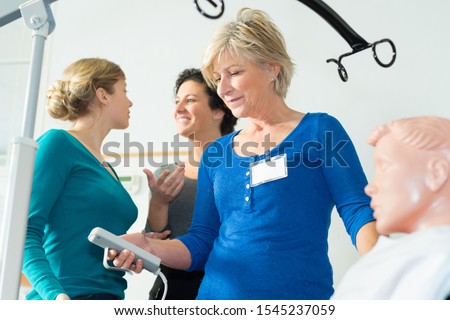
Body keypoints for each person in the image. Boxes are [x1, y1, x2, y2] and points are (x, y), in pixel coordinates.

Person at [113, 7, 378, 299]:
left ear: (271, 68)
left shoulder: (320, 131)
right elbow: (200, 243)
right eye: (217, 78)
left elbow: (357, 210)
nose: (223, 89)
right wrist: (147, 246)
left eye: (234, 73)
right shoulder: (216, 153)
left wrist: (388, 273)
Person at [22, 58, 138, 300]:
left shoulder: (105, 166)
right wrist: (55, 296)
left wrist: (125, 256)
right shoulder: (58, 143)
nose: (130, 101)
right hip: (68, 297)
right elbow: (24, 231)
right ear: (103, 95)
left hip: (108, 297)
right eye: (124, 91)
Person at [143, 68, 237, 299]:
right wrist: (158, 202)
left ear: (218, 109)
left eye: (190, 100)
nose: (178, 109)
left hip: (229, 291)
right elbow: (154, 243)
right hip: (171, 293)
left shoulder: (242, 169)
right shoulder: (166, 174)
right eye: (177, 102)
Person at [333, 116, 450, 299]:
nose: (370, 187)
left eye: (385, 168)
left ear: (437, 173)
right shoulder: (389, 262)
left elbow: (354, 206)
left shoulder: (438, 260)